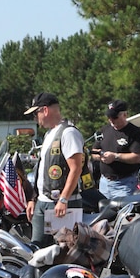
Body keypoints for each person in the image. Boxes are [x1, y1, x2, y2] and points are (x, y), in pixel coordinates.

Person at [23, 92, 88, 246]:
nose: (35, 118)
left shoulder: (69, 132)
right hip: (43, 201)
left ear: (45, 110)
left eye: (36, 114)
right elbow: (41, 171)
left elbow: (76, 168)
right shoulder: (49, 134)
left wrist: (63, 199)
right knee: (38, 249)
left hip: (62, 204)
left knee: (64, 250)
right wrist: (33, 199)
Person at [96, 99, 140, 198]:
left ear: (125, 115)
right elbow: (94, 151)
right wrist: (101, 156)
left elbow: (138, 157)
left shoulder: (134, 132)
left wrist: (115, 157)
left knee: (123, 207)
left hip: (124, 184)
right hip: (104, 183)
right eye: (109, 116)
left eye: (114, 117)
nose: (111, 119)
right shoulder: (104, 130)